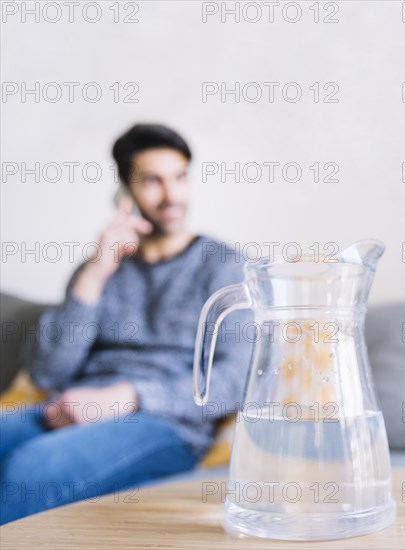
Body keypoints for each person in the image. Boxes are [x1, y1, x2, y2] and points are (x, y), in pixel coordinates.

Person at [0, 124, 252, 524]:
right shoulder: (100, 266)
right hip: (71, 408)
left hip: (165, 425)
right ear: (125, 191)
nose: (171, 196)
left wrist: (128, 397)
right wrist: (95, 273)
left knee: (30, 473)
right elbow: (48, 369)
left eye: (180, 178)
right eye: (152, 181)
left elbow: (238, 377)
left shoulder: (223, 265)